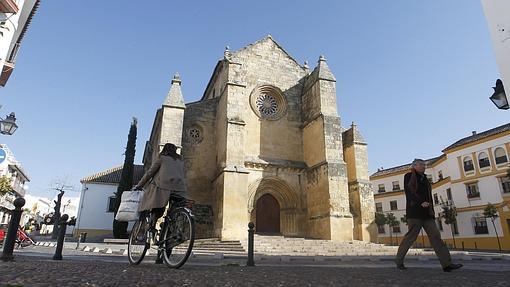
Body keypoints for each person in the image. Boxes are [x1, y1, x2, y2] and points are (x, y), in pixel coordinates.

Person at [395, 159, 463, 272]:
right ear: (415, 166)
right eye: (421, 165)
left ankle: (447, 264)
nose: (424, 166)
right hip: (415, 213)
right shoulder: (408, 176)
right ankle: (399, 261)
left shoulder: (425, 178)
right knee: (410, 238)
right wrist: (420, 202)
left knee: (436, 237)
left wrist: (431, 210)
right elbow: (409, 192)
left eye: (424, 165)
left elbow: (429, 196)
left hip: (428, 214)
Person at [134, 143, 187, 231]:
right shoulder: (181, 161)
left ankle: (152, 225)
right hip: (180, 190)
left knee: (156, 205)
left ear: (164, 150)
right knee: (172, 212)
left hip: (163, 188)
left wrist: (139, 185)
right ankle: (168, 229)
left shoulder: (162, 158)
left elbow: (149, 173)